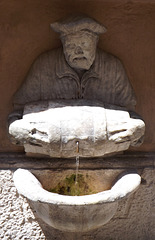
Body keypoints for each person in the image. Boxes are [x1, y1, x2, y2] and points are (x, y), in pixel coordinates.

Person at [11, 15, 136, 119]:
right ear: (63, 46)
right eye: (71, 45)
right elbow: (19, 110)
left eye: (84, 44)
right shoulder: (44, 66)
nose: (79, 51)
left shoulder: (112, 68)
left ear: (95, 45)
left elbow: (130, 112)